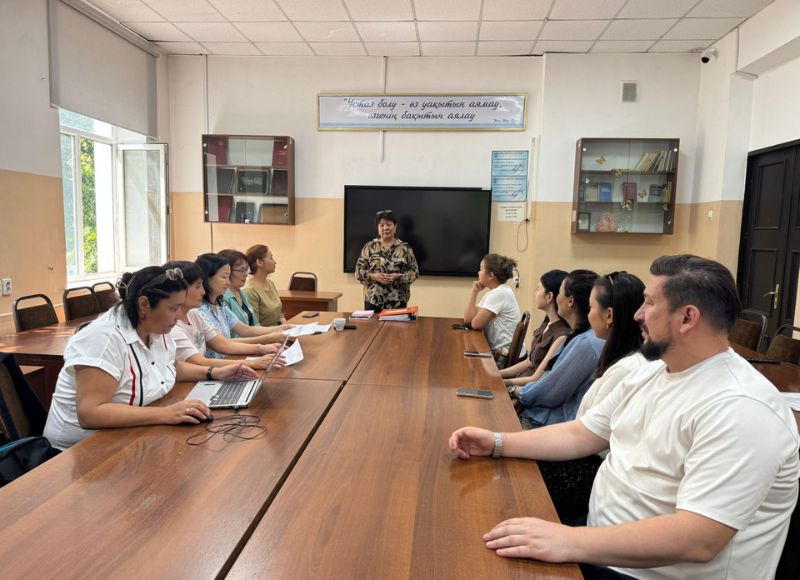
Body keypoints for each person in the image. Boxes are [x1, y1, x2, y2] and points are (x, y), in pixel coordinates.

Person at [449, 255, 800, 580]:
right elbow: (582, 434)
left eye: (649, 303)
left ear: (687, 318)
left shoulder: (742, 408)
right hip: (599, 545)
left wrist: (568, 540)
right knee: (469, 527)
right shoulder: (649, 369)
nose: (636, 314)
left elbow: (699, 539)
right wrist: (497, 442)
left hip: (641, 573)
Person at [43, 266, 258, 450]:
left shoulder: (154, 326)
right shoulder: (103, 339)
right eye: (173, 308)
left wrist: (214, 373)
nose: (178, 316)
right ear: (144, 304)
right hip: (81, 451)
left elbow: (170, 366)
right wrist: (165, 414)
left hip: (130, 435)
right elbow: (91, 413)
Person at [537, 271, 647, 524]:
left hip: (590, 468)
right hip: (585, 457)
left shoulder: (624, 368)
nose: (588, 315)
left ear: (609, 315)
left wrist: (500, 442)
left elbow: (584, 435)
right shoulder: (619, 357)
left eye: (591, 307)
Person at [509, 270, 604, 429]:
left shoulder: (585, 343)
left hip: (549, 422)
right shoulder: (578, 336)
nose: (557, 298)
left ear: (570, 301)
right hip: (539, 410)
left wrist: (514, 391)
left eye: (560, 293)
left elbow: (549, 391)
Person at [165, 260, 282, 370]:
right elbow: (200, 362)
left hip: (208, 372)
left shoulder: (193, 313)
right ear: (179, 290)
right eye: (197, 286)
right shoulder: (173, 325)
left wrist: (261, 348)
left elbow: (223, 344)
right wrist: (253, 362)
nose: (203, 291)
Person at [195, 253, 286, 358]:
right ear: (207, 278)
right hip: (221, 363)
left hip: (229, 359)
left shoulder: (220, 305)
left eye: (228, 277)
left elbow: (245, 329)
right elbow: (223, 344)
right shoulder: (200, 310)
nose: (228, 282)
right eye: (224, 277)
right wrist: (267, 340)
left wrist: (280, 328)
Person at [501, 269, 571, 386]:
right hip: (518, 381)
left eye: (538, 289)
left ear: (549, 296)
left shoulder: (561, 335)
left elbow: (536, 379)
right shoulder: (547, 322)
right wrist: (497, 374)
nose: (535, 293)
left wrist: (502, 383)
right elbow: (529, 361)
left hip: (524, 390)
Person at [463, 254, 522, 366]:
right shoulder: (496, 292)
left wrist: (473, 319)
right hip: (501, 353)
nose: (478, 272)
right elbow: (468, 319)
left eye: (481, 269)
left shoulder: (499, 294)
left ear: (490, 275)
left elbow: (475, 324)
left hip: (506, 358)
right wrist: (474, 292)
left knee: (467, 365)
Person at [355, 209, 419, 311]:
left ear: (395, 227)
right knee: (372, 323)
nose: (385, 228)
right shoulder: (369, 247)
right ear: (378, 229)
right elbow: (358, 273)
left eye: (389, 224)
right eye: (381, 225)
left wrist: (399, 276)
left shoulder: (405, 248)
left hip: (398, 301)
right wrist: (373, 276)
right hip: (373, 301)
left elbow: (415, 272)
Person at [242, 244, 288, 327]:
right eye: (271, 258)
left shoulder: (270, 283)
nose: (275, 262)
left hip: (279, 330)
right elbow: (254, 325)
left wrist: (287, 327)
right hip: (267, 333)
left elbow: (279, 314)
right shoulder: (250, 291)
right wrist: (280, 330)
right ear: (259, 262)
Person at [218, 248, 259, 335]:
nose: (246, 274)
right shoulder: (223, 297)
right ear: (227, 271)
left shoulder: (242, 293)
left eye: (246, 270)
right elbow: (234, 335)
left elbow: (255, 324)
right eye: (241, 270)